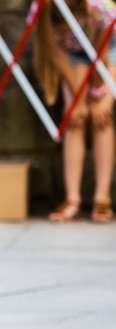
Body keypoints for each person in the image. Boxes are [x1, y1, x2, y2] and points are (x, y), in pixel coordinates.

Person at [30, 0, 116, 222]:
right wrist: (77, 102)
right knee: (74, 118)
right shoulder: (43, 9)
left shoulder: (100, 8)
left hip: (110, 45)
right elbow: (53, 51)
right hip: (73, 53)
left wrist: (99, 97)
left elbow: (102, 55)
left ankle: (102, 198)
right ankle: (73, 199)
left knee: (102, 118)